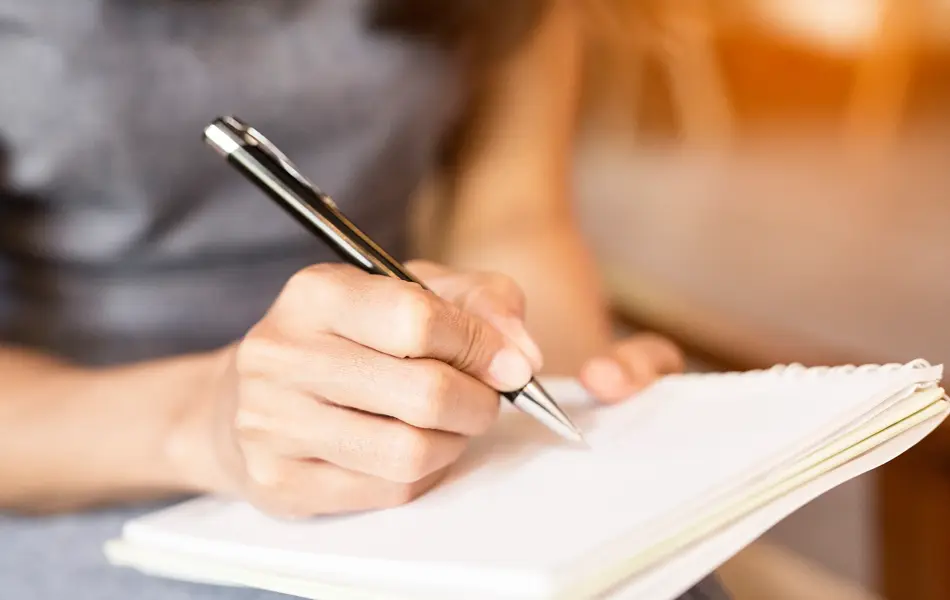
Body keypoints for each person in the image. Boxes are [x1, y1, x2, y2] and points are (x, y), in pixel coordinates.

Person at [0, 1, 729, 598]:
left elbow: (512, 221)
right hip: (80, 450)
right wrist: (204, 424)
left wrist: (566, 392)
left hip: (403, 405)